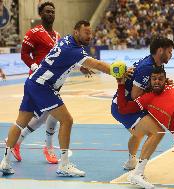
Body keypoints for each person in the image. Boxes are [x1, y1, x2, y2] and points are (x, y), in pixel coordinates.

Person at [0, 20, 113, 177]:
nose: (89, 35)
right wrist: (118, 71)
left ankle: (5, 162)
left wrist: (79, 66)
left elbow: (65, 59)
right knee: (67, 120)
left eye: (91, 32)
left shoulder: (65, 39)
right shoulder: (74, 50)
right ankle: (64, 165)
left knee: (20, 123)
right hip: (43, 86)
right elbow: (98, 65)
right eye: (86, 32)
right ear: (76, 32)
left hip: (32, 82)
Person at [10, 1, 93, 164]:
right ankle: (30, 144)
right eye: (47, 11)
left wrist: (80, 66)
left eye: (53, 12)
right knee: (42, 116)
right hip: (39, 81)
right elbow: (24, 54)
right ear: (41, 14)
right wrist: (35, 67)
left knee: (48, 115)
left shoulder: (57, 36)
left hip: (54, 82)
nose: (51, 14)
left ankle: (24, 144)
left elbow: (65, 57)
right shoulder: (33, 32)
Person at [111, 36, 174, 176]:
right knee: (157, 132)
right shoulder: (147, 67)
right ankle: (138, 172)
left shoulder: (156, 64)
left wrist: (161, 83)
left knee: (139, 133)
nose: (171, 55)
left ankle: (131, 162)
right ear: (160, 51)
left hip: (130, 105)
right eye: (169, 52)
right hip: (124, 106)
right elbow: (135, 96)